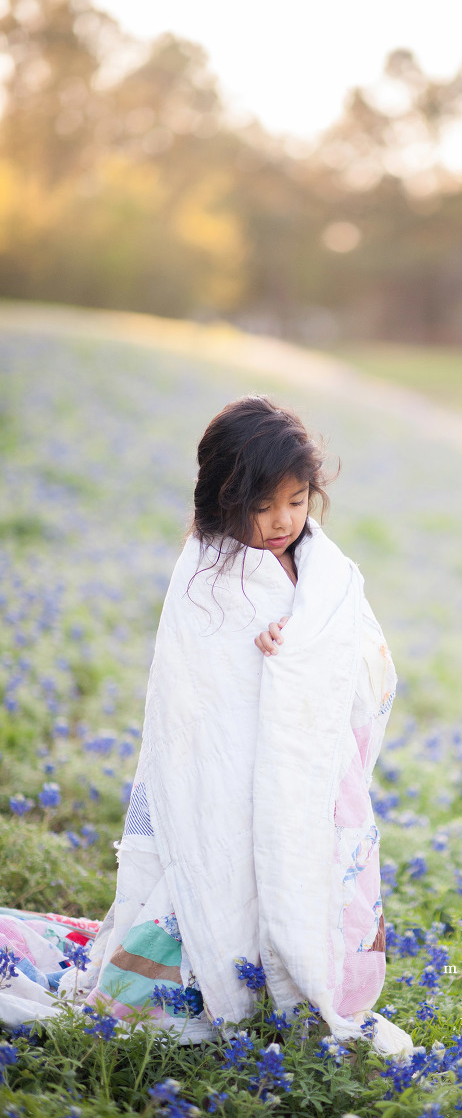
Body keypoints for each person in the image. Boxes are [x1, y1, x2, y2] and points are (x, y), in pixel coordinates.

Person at [44, 395, 412, 1055]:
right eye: (260, 505)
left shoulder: (327, 571)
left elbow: (373, 663)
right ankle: (228, 987)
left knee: (315, 892)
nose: (280, 521)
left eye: (296, 501)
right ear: (221, 498)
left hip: (313, 786)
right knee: (225, 887)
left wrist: (306, 646)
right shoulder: (206, 579)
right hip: (229, 791)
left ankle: (299, 989)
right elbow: (194, 711)